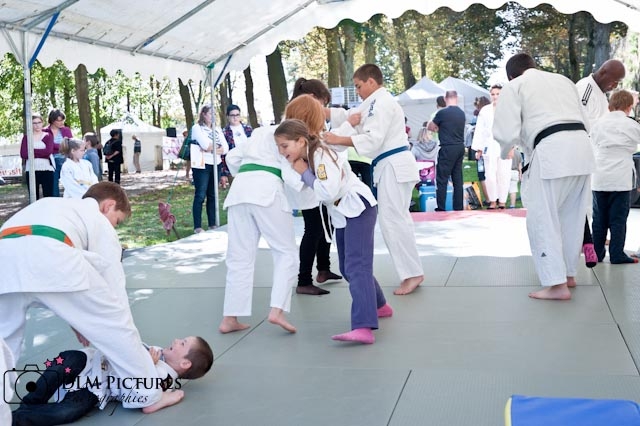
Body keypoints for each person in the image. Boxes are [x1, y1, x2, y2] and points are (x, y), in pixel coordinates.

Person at [0, 182, 173, 410]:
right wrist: (118, 321)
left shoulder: (50, 205)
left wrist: (78, 321)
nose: (114, 227)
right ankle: (147, 394)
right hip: (51, 255)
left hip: (4, 260)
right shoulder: (98, 220)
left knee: (4, 342)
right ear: (108, 206)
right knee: (117, 324)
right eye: (117, 220)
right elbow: (113, 285)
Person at [275, 117, 392, 344]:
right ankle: (380, 306)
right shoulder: (311, 154)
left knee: (357, 266)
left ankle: (363, 326)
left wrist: (304, 173)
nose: (281, 151)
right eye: (279, 146)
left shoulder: (320, 155)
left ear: (300, 141)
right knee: (349, 267)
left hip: (357, 207)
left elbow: (327, 191)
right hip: (344, 212)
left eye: (285, 145)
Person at [493, 53, 595, 300]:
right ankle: (568, 275)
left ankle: (556, 284)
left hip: (551, 149)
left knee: (543, 217)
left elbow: (506, 131)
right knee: (573, 216)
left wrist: (505, 151)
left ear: (510, 76)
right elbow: (586, 120)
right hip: (582, 148)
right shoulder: (564, 80)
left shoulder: (515, 86)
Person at [324, 63, 424, 296]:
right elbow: (351, 116)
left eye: (359, 86)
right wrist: (323, 111)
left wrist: (338, 139)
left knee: (392, 221)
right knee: (397, 219)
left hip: (394, 164)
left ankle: (411, 274)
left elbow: (372, 139)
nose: (357, 91)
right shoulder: (373, 103)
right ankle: (413, 271)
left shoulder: (382, 103)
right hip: (391, 165)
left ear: (371, 81)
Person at [10, 336, 213, 424]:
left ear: (185, 363)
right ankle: (30, 402)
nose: (176, 340)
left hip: (96, 388)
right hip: (89, 361)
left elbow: (146, 402)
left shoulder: (163, 379)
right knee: (65, 363)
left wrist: (151, 372)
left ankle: (16, 419)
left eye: (182, 343)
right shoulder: (159, 352)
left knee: (68, 411)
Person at [218, 121, 299, 335]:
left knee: (239, 257)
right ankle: (277, 310)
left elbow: (231, 157)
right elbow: (291, 171)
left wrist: (246, 174)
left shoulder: (260, 132)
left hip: (240, 190)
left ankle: (229, 318)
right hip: (267, 190)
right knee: (286, 252)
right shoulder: (292, 134)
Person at [287, 78, 343, 295]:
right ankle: (304, 279)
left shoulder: (306, 120)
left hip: (312, 179)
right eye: (322, 103)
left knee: (325, 224)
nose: (324, 109)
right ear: (311, 99)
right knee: (314, 228)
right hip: (305, 180)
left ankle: (323, 268)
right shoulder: (295, 122)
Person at [576, 59, 626, 267]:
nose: (615, 85)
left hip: (595, 156)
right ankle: (584, 242)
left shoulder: (600, 93)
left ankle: (590, 243)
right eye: (614, 80)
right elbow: (579, 121)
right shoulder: (585, 89)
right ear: (603, 72)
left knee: (592, 204)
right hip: (582, 153)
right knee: (585, 203)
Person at [590, 90, 640, 264]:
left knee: (599, 219)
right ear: (629, 107)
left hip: (599, 176)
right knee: (618, 219)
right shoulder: (631, 125)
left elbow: (592, 144)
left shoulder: (598, 123)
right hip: (620, 177)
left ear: (610, 105)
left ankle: (597, 254)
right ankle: (617, 254)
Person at [471, 84, 511, 209]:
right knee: (490, 175)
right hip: (489, 145)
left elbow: (513, 128)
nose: (495, 96)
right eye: (493, 94)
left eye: (498, 94)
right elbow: (480, 130)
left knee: (504, 174)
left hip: (505, 145)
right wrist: (479, 148)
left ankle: (502, 201)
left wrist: (512, 147)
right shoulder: (485, 110)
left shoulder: (509, 109)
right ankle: (493, 200)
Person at [190, 105, 229, 233]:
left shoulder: (217, 129)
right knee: (200, 195)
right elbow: (205, 145)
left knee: (212, 194)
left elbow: (225, 148)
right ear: (203, 114)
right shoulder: (197, 128)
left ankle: (212, 223)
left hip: (216, 163)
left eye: (214, 114)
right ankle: (197, 226)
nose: (213, 116)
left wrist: (213, 148)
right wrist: (215, 147)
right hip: (202, 164)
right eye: (210, 113)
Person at [427, 90, 466, 211]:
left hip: (447, 147)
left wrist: (439, 128)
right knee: (457, 179)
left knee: (442, 178)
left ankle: (441, 207)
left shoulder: (442, 113)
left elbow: (430, 126)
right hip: (460, 146)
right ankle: (458, 207)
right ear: (457, 98)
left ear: (445, 99)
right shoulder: (461, 113)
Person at [20, 114, 54, 200]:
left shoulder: (48, 136)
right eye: (34, 123)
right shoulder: (26, 138)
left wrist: (31, 151)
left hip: (47, 169)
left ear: (42, 123)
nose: (37, 125)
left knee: (48, 196)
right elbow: (24, 154)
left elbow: (48, 152)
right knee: (33, 197)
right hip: (31, 170)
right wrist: (41, 152)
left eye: (39, 122)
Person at [221, 104, 253, 189]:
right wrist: (223, 173)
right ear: (228, 116)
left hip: (248, 163)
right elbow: (223, 153)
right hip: (232, 166)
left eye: (237, 115)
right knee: (237, 190)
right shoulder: (224, 132)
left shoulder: (248, 129)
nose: (235, 117)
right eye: (232, 115)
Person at [44, 109, 73, 197]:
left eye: (62, 120)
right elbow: (47, 147)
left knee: (70, 182)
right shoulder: (45, 131)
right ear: (52, 120)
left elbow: (70, 144)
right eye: (58, 120)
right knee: (53, 184)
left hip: (65, 159)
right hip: (51, 160)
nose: (61, 122)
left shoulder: (66, 130)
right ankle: (55, 201)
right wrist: (61, 146)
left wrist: (54, 146)